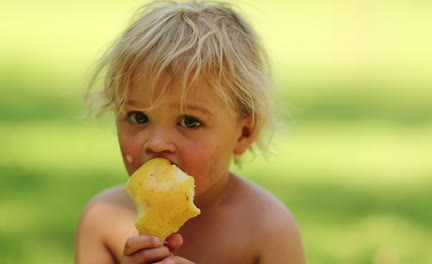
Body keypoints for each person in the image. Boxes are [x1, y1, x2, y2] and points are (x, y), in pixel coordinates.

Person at [75, 1, 305, 263]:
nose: (157, 143)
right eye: (139, 117)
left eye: (189, 122)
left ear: (243, 133)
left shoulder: (269, 229)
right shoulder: (103, 220)